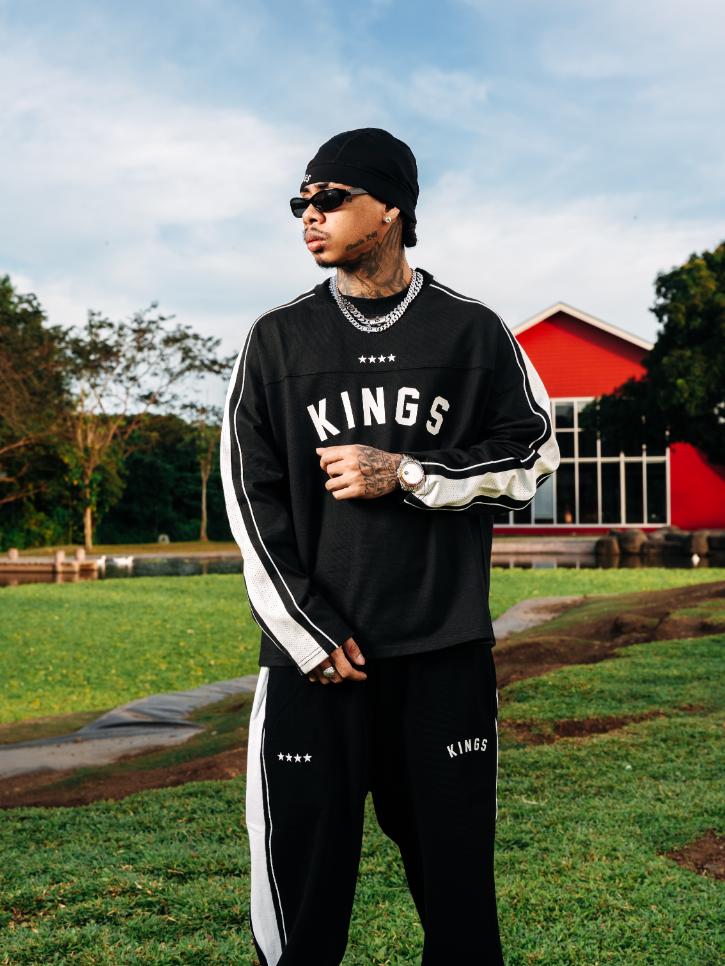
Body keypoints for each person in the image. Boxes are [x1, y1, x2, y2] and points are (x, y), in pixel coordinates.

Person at [220, 127, 560, 966]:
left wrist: (407, 473)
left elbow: (532, 459)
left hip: (442, 658)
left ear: (392, 209)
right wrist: (307, 632)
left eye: (331, 199)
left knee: (459, 911)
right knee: (301, 920)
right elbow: (249, 501)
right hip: (316, 665)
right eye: (300, 203)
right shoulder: (276, 340)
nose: (309, 215)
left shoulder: (472, 332)